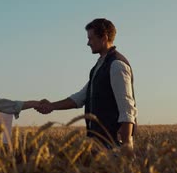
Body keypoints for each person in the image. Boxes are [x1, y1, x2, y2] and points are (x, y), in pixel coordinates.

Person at [36, 18, 137, 148]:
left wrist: (127, 142)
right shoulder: (99, 66)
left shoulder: (116, 64)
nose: (88, 43)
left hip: (113, 141)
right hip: (99, 140)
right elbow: (81, 97)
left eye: (91, 38)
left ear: (104, 38)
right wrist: (51, 106)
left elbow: (127, 105)